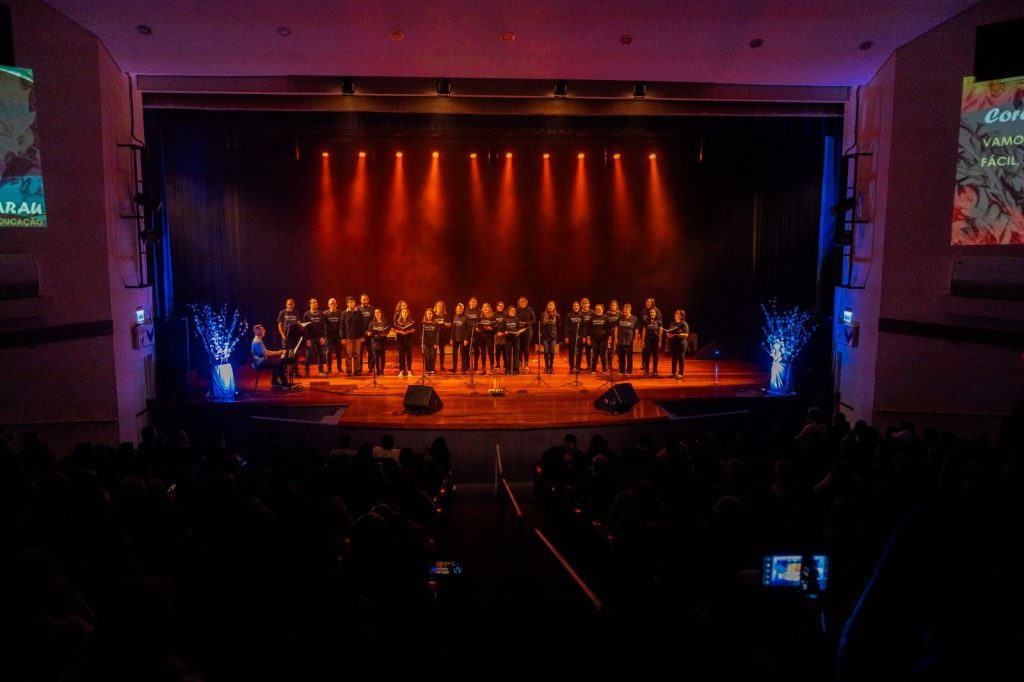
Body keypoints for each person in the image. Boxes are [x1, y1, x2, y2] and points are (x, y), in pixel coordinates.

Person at [251, 323, 294, 389]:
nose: (265, 331)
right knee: (279, 362)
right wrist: (279, 353)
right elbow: (266, 353)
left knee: (277, 362)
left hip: (260, 361)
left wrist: (278, 352)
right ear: (257, 331)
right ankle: (283, 383)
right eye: (262, 329)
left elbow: (266, 351)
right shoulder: (258, 341)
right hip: (259, 363)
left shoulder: (258, 339)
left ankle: (275, 382)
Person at [302, 297, 326, 377]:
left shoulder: (321, 314)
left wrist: (323, 337)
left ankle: (321, 370)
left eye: (316, 302)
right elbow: (304, 328)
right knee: (308, 355)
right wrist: (306, 339)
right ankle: (306, 371)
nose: (316, 303)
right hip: (310, 338)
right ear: (310, 304)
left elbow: (324, 326)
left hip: (319, 337)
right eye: (314, 302)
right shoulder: (306, 314)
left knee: (321, 354)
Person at [341, 296, 364, 376]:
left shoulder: (359, 313)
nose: (351, 303)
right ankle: (349, 371)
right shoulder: (344, 314)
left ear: (355, 303)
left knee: (357, 354)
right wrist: (342, 338)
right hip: (348, 338)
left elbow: (362, 325)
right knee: (349, 355)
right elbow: (342, 327)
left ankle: (357, 370)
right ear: (347, 304)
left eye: (353, 302)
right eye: (350, 302)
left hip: (358, 338)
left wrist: (362, 336)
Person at [664, 309, 689, 378]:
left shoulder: (684, 324)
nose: (675, 314)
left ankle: (680, 373)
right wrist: (668, 334)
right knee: (674, 358)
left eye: (677, 314)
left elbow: (686, 335)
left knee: (680, 358)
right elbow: (669, 332)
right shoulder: (672, 323)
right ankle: (673, 373)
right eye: (675, 313)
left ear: (681, 316)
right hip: (673, 343)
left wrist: (676, 334)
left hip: (681, 343)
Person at [366, 308, 390, 376]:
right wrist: (369, 333)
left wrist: (385, 333)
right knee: (376, 357)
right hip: (375, 341)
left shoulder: (385, 322)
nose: (377, 314)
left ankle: (382, 371)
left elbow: (388, 330)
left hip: (383, 341)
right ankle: (378, 371)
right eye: (376, 312)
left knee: (382, 357)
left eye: (378, 312)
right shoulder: (372, 322)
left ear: (381, 313)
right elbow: (368, 331)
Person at [588, 302, 610, 374]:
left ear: (602, 310)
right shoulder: (592, 318)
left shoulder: (606, 318)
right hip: (594, 339)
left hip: (604, 339)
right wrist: (588, 339)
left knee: (603, 354)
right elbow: (589, 329)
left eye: (599, 309)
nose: (598, 310)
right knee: (595, 354)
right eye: (596, 309)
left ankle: (604, 370)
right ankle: (593, 369)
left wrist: (609, 339)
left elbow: (609, 330)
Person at [393, 306, 416, 376]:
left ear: (408, 313)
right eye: (403, 312)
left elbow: (414, 330)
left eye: (406, 312)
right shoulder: (398, 322)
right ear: (401, 313)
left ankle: (409, 370)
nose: (404, 313)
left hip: (408, 340)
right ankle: (401, 370)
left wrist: (408, 331)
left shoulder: (411, 321)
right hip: (400, 340)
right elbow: (395, 330)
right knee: (401, 356)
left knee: (409, 356)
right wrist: (401, 332)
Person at [616, 302, 637, 376]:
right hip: (621, 340)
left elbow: (636, 330)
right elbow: (616, 328)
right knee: (621, 356)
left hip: (629, 340)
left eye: (627, 309)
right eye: (624, 309)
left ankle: (629, 371)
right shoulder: (620, 318)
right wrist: (616, 338)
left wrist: (635, 339)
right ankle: (621, 370)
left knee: (629, 356)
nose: (625, 311)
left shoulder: (634, 318)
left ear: (630, 310)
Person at [539, 300, 560, 374]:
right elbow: (540, 325)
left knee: (551, 352)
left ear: (554, 307)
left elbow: (559, 325)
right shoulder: (543, 315)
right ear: (547, 307)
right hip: (545, 337)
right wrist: (540, 334)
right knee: (546, 352)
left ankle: (551, 367)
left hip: (553, 337)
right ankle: (546, 367)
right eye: (549, 305)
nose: (550, 306)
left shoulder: (557, 315)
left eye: (552, 305)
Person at [501, 304, 523, 374]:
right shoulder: (505, 319)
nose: (513, 311)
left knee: (516, 354)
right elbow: (502, 329)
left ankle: (516, 370)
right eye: (511, 310)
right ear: (508, 311)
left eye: (514, 310)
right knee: (508, 354)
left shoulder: (517, 319)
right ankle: (507, 371)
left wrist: (519, 332)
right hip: (508, 338)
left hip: (516, 338)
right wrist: (505, 332)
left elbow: (519, 329)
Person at [563, 300, 584, 374]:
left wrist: (584, 337)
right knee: (571, 352)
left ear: (579, 307)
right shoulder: (569, 315)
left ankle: (578, 368)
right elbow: (566, 326)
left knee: (579, 352)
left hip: (579, 336)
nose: (576, 307)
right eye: (574, 306)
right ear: (572, 307)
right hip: (571, 336)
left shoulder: (581, 315)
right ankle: (571, 368)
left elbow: (584, 327)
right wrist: (566, 337)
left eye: (577, 306)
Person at [324, 297, 343, 375]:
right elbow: (323, 325)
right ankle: (329, 368)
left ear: (336, 304)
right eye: (331, 303)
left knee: (338, 352)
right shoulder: (325, 313)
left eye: (334, 303)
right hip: (329, 336)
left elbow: (342, 325)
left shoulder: (340, 312)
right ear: (328, 305)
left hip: (338, 335)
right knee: (328, 352)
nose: (333, 305)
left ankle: (339, 368)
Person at [477, 302, 497, 375]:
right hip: (481, 337)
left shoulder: (492, 317)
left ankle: (492, 368)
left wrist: (490, 328)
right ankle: (483, 368)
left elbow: (495, 328)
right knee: (483, 353)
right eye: (484, 306)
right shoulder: (480, 317)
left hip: (490, 337)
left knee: (490, 352)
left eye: (486, 307)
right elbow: (478, 326)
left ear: (489, 308)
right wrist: (477, 329)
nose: (485, 308)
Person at [641, 306, 662, 376]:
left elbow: (660, 332)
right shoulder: (646, 321)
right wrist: (643, 341)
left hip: (656, 339)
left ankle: (655, 370)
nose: (652, 313)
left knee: (655, 355)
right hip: (648, 339)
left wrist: (660, 341)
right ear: (649, 313)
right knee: (647, 355)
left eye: (653, 312)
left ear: (655, 313)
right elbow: (643, 331)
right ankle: (646, 370)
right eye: (650, 312)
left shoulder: (659, 321)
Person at [517, 296, 536, 368]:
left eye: (524, 301)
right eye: (521, 301)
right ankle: (519, 363)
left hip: (528, 331)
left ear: (526, 302)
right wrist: (518, 323)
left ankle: (526, 363)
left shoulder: (529, 309)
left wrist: (525, 323)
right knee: (519, 347)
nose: (522, 302)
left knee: (526, 347)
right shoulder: (516, 309)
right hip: (519, 331)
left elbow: (534, 320)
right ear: (519, 303)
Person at [356, 293, 374, 373]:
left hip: (370, 334)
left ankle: (371, 368)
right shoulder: (357, 309)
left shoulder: (372, 308)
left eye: (366, 299)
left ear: (368, 300)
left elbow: (374, 321)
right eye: (363, 299)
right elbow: (355, 322)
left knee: (371, 351)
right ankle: (359, 368)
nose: (365, 301)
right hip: (360, 334)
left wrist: (371, 331)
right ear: (361, 300)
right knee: (359, 352)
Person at [450, 302, 469, 374]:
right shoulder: (455, 317)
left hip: (463, 339)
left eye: (459, 309)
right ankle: (454, 368)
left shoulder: (465, 317)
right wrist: (451, 338)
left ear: (462, 310)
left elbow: (468, 329)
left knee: (463, 353)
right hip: (455, 338)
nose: (458, 310)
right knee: (454, 354)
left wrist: (466, 339)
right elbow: (453, 329)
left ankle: (463, 368)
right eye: (457, 309)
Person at [421, 308, 439, 376]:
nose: (429, 315)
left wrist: (436, 343)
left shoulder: (435, 323)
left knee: (432, 356)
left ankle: (432, 369)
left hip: (433, 343)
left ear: (432, 315)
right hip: (426, 343)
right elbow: (421, 334)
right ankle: (427, 370)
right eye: (428, 314)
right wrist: (422, 343)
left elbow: (437, 333)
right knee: (427, 356)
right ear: (426, 315)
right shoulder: (423, 323)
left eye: (430, 314)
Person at [433, 301, 451, 372]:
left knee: (442, 351)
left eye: (441, 306)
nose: (440, 307)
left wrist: (445, 323)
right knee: (434, 351)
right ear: (436, 306)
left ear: (443, 307)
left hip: (442, 334)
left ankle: (442, 365)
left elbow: (450, 324)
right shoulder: (433, 314)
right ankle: (433, 366)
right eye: (438, 305)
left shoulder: (445, 315)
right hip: (434, 335)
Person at [466, 297, 482, 371]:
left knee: (476, 350)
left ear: (476, 303)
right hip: (468, 333)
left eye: (475, 302)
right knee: (467, 349)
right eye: (472, 301)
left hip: (477, 333)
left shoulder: (479, 311)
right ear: (469, 303)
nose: (473, 303)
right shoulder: (466, 311)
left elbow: (481, 321)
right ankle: (467, 365)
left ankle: (475, 365)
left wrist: (479, 328)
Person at [579, 297, 593, 370]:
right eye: (583, 304)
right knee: (579, 351)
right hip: (581, 335)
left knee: (588, 351)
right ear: (581, 305)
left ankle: (589, 365)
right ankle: (578, 365)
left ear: (589, 304)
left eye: (586, 303)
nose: (585, 305)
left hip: (589, 335)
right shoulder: (579, 313)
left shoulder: (592, 312)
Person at [493, 300, 507, 372]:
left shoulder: (506, 314)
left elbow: (508, 324)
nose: (501, 307)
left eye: (502, 306)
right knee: (498, 350)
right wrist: (496, 332)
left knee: (504, 350)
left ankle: (505, 364)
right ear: (497, 307)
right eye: (500, 306)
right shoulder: (494, 314)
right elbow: (492, 325)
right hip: (497, 335)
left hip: (504, 335)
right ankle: (497, 364)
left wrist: (504, 332)